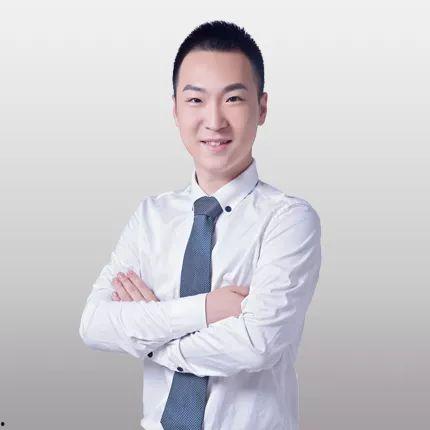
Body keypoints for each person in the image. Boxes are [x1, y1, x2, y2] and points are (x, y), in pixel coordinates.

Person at [79, 20, 322, 430]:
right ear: (175, 110)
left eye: (233, 99)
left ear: (262, 108)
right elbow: (95, 324)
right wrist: (207, 309)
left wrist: (151, 340)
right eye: (195, 99)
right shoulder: (150, 217)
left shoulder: (289, 220)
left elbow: (256, 343)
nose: (214, 120)